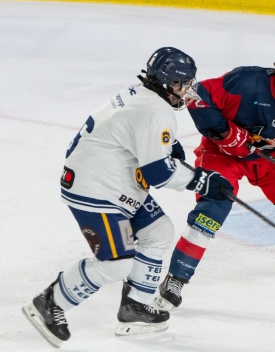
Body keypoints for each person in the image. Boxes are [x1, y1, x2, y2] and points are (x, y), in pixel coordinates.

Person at [22, 48, 234, 347]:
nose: (184, 90)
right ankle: (50, 303)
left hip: (115, 181)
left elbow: (141, 137)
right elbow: (160, 173)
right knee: (115, 263)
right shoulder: (153, 110)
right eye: (178, 83)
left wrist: (169, 145)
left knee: (158, 231)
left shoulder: (143, 93)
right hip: (95, 189)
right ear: (161, 81)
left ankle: (135, 306)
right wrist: (202, 180)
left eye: (187, 83)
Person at [157, 41, 275, 310]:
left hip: (271, 157)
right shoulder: (246, 82)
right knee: (212, 208)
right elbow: (197, 96)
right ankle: (176, 278)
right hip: (222, 154)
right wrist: (224, 133)